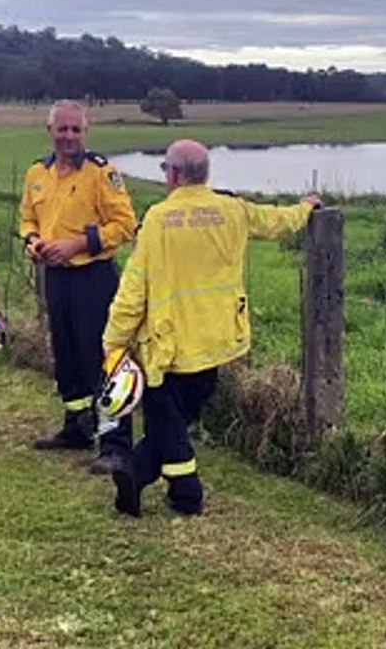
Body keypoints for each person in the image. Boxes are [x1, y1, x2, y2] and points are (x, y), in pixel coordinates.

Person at [103, 138, 321, 517]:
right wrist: (306, 208)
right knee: (174, 421)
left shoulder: (158, 219)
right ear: (205, 174)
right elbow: (276, 221)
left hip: (168, 345)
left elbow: (133, 289)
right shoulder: (232, 209)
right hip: (217, 340)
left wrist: (114, 341)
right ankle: (143, 476)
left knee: (168, 421)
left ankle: (181, 491)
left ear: (173, 175)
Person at [20, 100, 138, 474]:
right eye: (62, 129)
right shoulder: (37, 173)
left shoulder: (102, 173)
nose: (69, 136)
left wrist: (78, 244)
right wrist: (33, 243)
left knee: (101, 358)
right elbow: (28, 219)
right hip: (56, 277)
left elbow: (125, 225)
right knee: (67, 354)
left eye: (76, 129)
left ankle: (115, 444)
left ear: (86, 132)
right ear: (50, 131)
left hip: (93, 277)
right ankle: (77, 428)